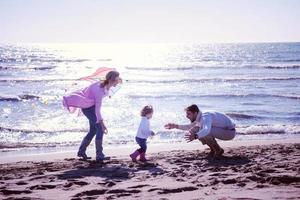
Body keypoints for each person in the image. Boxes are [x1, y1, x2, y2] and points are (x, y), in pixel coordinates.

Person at [63, 70, 121, 161]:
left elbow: (96, 106)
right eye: (117, 79)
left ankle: (81, 152)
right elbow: (98, 108)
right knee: (100, 129)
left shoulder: (106, 86)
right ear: (111, 80)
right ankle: (99, 155)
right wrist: (102, 123)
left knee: (93, 130)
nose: (118, 81)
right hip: (87, 108)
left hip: (91, 106)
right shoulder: (100, 90)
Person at [165, 104, 236, 157]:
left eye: (188, 114)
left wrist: (195, 136)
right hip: (223, 130)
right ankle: (213, 149)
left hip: (229, 132)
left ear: (195, 113)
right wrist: (175, 126)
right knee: (196, 130)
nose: (186, 116)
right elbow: (189, 126)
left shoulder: (205, 116)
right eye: (186, 114)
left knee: (202, 131)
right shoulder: (199, 117)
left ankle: (218, 150)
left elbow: (206, 130)